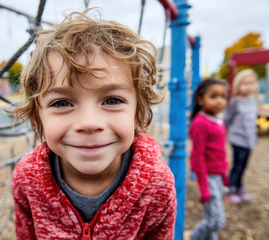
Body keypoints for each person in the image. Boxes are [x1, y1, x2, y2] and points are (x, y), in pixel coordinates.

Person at [11, 10, 176, 240]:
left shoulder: (158, 185)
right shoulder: (27, 178)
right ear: (37, 119)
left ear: (138, 114)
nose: (89, 123)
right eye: (61, 103)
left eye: (112, 100)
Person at [185, 79, 228, 240]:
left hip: (217, 175)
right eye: (213, 96)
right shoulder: (200, 124)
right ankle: (194, 236)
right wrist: (204, 187)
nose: (220, 101)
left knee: (212, 216)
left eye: (223, 96)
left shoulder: (219, 121)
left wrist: (224, 176)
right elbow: (197, 156)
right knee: (217, 221)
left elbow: (220, 151)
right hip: (208, 176)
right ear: (200, 100)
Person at [223, 69, 258, 204]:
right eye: (245, 83)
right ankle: (231, 189)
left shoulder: (252, 101)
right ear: (238, 85)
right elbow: (226, 120)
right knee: (237, 165)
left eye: (251, 83)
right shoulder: (235, 102)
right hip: (238, 139)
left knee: (244, 165)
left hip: (249, 140)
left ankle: (239, 187)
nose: (249, 86)